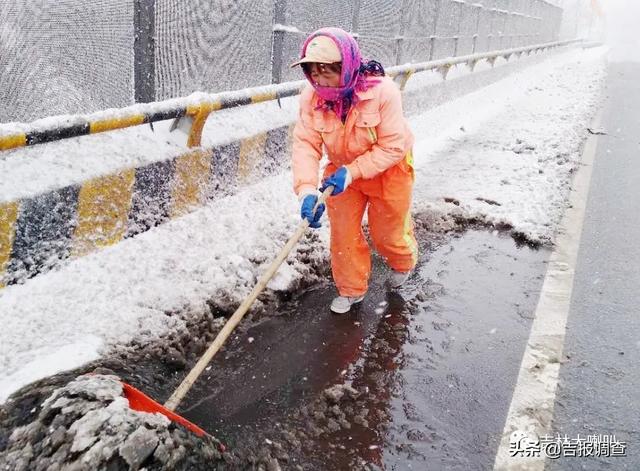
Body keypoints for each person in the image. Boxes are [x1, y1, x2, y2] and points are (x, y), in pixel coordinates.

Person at [290, 27, 418, 314]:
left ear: (346, 67)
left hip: (389, 169)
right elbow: (305, 144)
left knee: (386, 233)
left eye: (328, 72)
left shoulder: (383, 92)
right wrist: (306, 190)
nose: (320, 81)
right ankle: (351, 289)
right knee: (343, 234)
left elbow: (393, 146)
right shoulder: (310, 98)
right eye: (314, 72)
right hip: (340, 173)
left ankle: (403, 260)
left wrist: (353, 171)